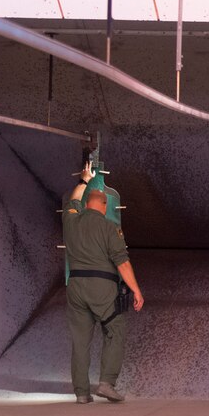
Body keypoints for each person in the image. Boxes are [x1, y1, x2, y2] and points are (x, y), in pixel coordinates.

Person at [63, 162, 145, 403]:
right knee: (115, 330)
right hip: (102, 288)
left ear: (86, 205)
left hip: (75, 286)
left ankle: (81, 393)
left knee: (80, 341)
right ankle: (107, 383)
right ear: (106, 206)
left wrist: (84, 180)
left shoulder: (71, 221)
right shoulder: (111, 229)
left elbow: (73, 201)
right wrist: (136, 290)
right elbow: (123, 263)